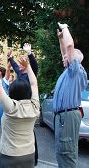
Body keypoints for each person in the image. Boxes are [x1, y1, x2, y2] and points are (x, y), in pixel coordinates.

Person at [0, 55, 40, 168]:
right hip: (29, 155)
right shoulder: (35, 107)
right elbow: (34, 84)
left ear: (12, 93)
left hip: (10, 156)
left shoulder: (10, 108)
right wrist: (28, 67)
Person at [53, 23, 87, 168]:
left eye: (66, 57)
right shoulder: (69, 71)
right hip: (63, 116)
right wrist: (61, 39)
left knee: (67, 153)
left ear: (74, 59)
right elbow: (65, 51)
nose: (63, 58)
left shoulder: (75, 71)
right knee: (62, 152)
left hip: (67, 116)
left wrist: (65, 28)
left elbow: (69, 47)